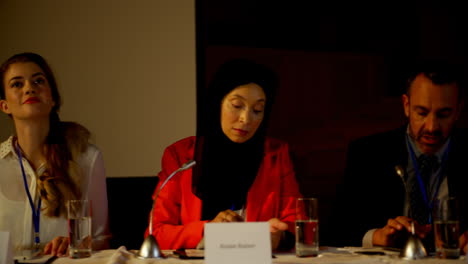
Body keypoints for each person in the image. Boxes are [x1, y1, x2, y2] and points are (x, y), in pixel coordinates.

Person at [144, 59, 303, 250]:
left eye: (257, 110)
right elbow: (156, 234)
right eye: (237, 105)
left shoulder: (276, 154)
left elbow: (300, 225)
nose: (246, 119)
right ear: (216, 104)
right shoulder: (181, 156)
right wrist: (209, 230)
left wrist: (281, 237)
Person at [334, 59, 468, 253]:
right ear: (406, 105)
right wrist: (377, 236)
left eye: (444, 114)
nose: (431, 127)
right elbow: (337, 229)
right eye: (421, 112)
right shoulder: (368, 153)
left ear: (458, 111)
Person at [0, 52, 110, 257]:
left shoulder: (87, 158)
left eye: (38, 81)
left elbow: (101, 239)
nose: (29, 88)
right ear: (4, 105)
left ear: (53, 99)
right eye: (17, 84)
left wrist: (75, 243)